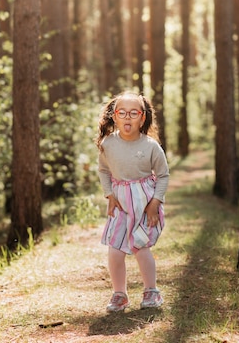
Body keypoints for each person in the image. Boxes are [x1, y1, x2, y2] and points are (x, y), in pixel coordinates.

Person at [95, 91, 169, 313]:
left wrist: (155, 202)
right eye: (122, 113)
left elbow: (163, 175)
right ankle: (120, 294)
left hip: (144, 202)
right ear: (114, 116)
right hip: (120, 202)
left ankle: (151, 291)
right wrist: (109, 195)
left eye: (133, 113)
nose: (128, 117)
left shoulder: (150, 146)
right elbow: (103, 171)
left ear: (142, 118)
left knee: (141, 247)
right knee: (115, 249)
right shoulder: (108, 144)